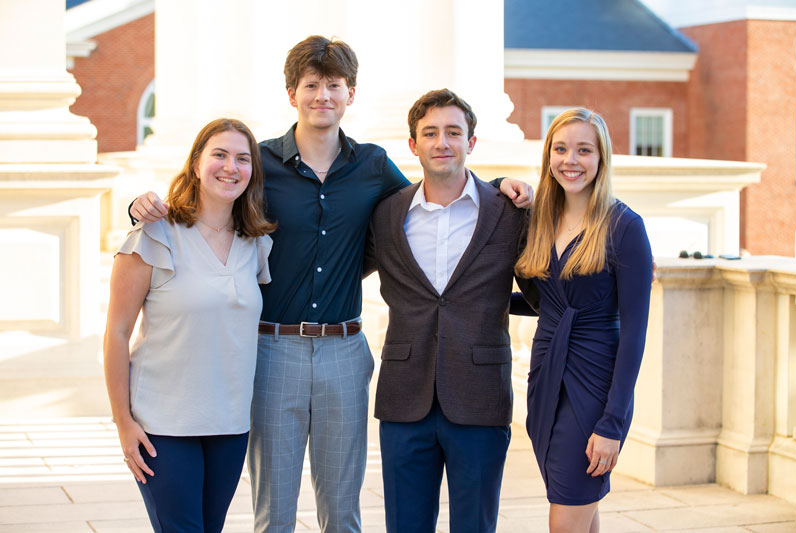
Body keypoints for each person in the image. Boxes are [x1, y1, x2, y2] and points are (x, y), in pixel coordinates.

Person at [129, 36, 532, 533]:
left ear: (351, 94)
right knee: (274, 511)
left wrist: (496, 188)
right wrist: (141, 206)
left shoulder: (371, 165)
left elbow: (433, 188)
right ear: (292, 93)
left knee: (342, 511)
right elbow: (207, 195)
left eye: (334, 85)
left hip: (345, 350)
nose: (323, 95)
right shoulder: (260, 164)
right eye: (312, 85)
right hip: (273, 349)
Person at [363, 89, 529, 533]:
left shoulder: (508, 211)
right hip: (404, 399)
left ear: (471, 143)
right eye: (430, 133)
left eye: (454, 132)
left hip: (479, 397)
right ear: (413, 145)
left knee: (475, 525)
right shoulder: (385, 214)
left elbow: (540, 288)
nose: (442, 142)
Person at [104, 118, 275, 532]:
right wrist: (123, 423)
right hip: (162, 426)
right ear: (197, 162)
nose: (230, 167)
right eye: (219, 154)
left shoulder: (256, 244)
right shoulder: (154, 236)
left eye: (242, 158)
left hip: (230, 424)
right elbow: (116, 333)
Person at [514, 108, 652, 533]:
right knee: (578, 507)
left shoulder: (625, 227)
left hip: (592, 385)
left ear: (601, 158)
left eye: (584, 150)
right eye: (560, 149)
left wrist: (613, 424)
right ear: (548, 157)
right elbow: (547, 302)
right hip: (545, 380)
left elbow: (634, 333)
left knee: (566, 515)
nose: (570, 160)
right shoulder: (539, 221)